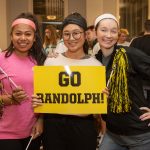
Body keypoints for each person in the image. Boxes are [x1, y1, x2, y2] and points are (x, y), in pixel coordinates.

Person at [32, 12, 109, 150]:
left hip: (84, 126)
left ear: (85, 35)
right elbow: (44, 96)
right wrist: (40, 118)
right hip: (53, 124)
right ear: (62, 36)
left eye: (76, 33)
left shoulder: (96, 66)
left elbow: (100, 106)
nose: (71, 38)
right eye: (66, 34)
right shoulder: (51, 61)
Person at [94, 13, 150, 150]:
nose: (108, 35)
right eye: (103, 30)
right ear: (95, 33)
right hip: (113, 133)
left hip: (139, 134)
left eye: (113, 31)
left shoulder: (129, 54)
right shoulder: (95, 60)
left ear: (117, 34)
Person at [0, 12, 46, 150]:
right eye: (18, 33)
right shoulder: (1, 60)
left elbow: (46, 95)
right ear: (11, 36)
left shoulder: (41, 61)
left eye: (28, 34)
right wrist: (11, 99)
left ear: (34, 38)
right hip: (5, 132)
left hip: (32, 131)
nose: (23, 38)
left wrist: (41, 120)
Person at [130, 19, 150, 102]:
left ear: (144, 28)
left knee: (141, 111)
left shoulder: (135, 41)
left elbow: (129, 60)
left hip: (138, 83)